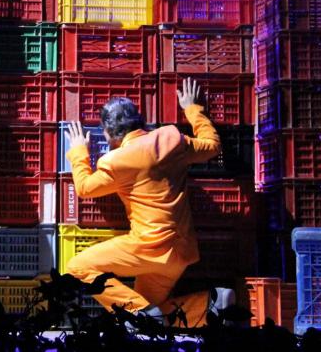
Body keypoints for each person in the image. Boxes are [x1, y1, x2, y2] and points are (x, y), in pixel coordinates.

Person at [63, 77, 234, 327]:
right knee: (154, 317)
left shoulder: (115, 161)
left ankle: (138, 313)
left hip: (147, 247)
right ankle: (209, 305)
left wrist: (79, 151)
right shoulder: (171, 139)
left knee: (77, 266)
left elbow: (84, 188)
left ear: (110, 134)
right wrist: (193, 109)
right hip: (181, 252)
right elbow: (212, 146)